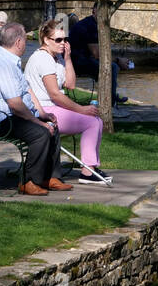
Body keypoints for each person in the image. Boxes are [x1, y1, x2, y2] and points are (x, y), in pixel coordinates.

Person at [0, 22, 71, 195]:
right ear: (19, 42)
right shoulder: (2, 64)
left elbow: (27, 89)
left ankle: (49, 177)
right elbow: (16, 105)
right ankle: (29, 182)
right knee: (40, 133)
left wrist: (42, 114)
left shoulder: (10, 60)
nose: (26, 44)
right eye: (26, 40)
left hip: (9, 116)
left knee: (51, 124)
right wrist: (38, 123)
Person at [25, 18, 108, 184]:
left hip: (53, 107)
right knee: (91, 122)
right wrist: (81, 109)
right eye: (58, 40)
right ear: (46, 40)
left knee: (96, 120)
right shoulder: (43, 59)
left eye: (65, 39)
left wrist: (68, 58)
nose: (63, 43)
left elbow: (70, 85)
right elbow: (55, 94)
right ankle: (87, 171)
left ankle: (90, 167)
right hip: (45, 110)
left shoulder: (56, 58)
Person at [70, 6, 130, 103]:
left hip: (77, 60)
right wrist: (119, 60)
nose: (105, 14)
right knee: (112, 67)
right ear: (93, 10)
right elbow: (97, 54)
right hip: (77, 63)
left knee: (107, 65)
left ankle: (109, 96)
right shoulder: (91, 26)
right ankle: (110, 100)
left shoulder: (91, 23)